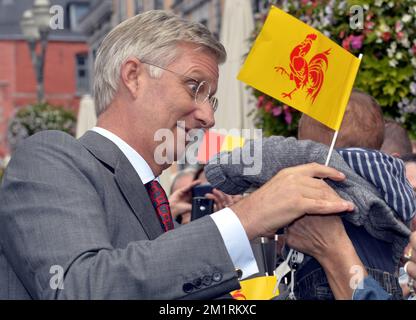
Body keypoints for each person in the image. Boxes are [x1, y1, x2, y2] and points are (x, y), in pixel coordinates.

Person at [0, 10, 354, 299]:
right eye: (194, 86)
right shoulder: (50, 156)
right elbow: (80, 287)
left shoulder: (154, 200)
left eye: (211, 98)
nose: (209, 116)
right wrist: (246, 217)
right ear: (134, 76)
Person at [206, 89, 415, 299]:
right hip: (381, 282)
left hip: (322, 277)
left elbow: (267, 155)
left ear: (319, 137)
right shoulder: (391, 175)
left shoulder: (315, 157)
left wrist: (221, 169)